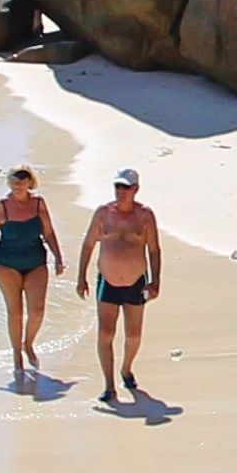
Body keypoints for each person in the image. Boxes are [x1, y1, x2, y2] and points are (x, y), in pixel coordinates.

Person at [83, 166, 165, 402]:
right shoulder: (103, 213)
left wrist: (155, 280)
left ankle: (126, 368)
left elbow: (154, 249)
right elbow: (88, 244)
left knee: (133, 335)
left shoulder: (145, 216)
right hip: (107, 281)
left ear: (136, 189)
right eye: (118, 186)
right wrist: (81, 277)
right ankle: (109, 386)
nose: (121, 191)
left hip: (135, 282)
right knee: (106, 334)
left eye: (126, 187)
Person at [0, 166, 57, 386]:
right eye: (14, 180)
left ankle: (28, 343)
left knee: (38, 310)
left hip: (35, 261)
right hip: (6, 263)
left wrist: (58, 257)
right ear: (9, 182)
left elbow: (48, 233)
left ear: (30, 182)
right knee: (15, 311)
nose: (18, 184)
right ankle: (17, 355)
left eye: (22, 180)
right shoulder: (2, 206)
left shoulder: (39, 204)